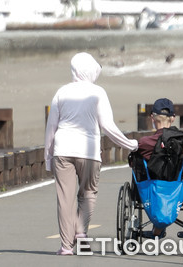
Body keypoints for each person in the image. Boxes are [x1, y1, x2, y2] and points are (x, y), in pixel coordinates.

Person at [44, 52, 138, 255]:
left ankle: (66, 246)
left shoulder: (61, 92)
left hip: (63, 150)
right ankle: (80, 231)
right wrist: (130, 144)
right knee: (88, 193)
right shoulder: (98, 92)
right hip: (89, 152)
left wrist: (48, 158)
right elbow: (108, 126)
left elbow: (51, 128)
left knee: (65, 199)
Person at [136, 98, 183, 238]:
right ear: (173, 118)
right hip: (180, 192)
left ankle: (157, 230)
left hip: (152, 192)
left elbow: (135, 166)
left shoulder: (144, 143)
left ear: (152, 118)